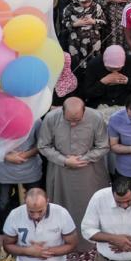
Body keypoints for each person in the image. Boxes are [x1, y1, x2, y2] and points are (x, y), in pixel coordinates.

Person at [37, 98, 110, 251]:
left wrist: (85, 158)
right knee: (62, 208)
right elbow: (43, 145)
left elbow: (103, 146)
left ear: (84, 111)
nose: (73, 124)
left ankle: (93, 241)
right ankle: (63, 241)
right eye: (69, 120)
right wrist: (64, 160)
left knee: (91, 206)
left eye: (77, 120)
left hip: (90, 171)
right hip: (61, 172)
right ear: (62, 111)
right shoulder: (51, 118)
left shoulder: (95, 117)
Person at [1, 188, 79, 261]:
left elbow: (72, 244)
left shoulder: (61, 213)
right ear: (25, 203)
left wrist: (43, 252)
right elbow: (7, 245)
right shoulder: (14, 215)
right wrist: (27, 251)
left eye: (40, 211)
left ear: (47, 202)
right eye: (31, 211)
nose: (36, 216)